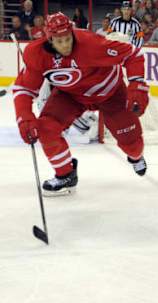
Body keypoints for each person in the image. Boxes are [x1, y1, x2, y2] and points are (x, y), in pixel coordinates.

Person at [12, 12, 149, 196]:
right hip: (71, 95)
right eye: (59, 41)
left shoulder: (91, 43)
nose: (65, 45)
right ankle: (66, 174)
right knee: (45, 128)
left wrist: (137, 86)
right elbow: (23, 89)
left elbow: (133, 54)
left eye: (67, 39)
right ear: (49, 39)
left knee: (131, 144)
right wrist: (24, 117)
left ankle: (136, 157)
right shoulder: (36, 53)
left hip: (110, 93)